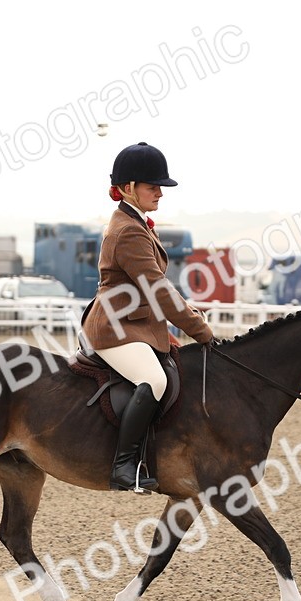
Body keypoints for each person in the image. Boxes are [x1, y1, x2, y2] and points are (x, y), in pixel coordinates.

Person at [81, 142, 215, 492]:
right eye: (151, 186)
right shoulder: (128, 230)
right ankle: (124, 466)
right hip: (114, 328)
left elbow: (157, 287)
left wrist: (189, 312)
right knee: (154, 380)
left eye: (160, 186)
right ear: (127, 188)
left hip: (135, 323)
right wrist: (201, 331)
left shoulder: (137, 223)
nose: (159, 192)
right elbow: (158, 289)